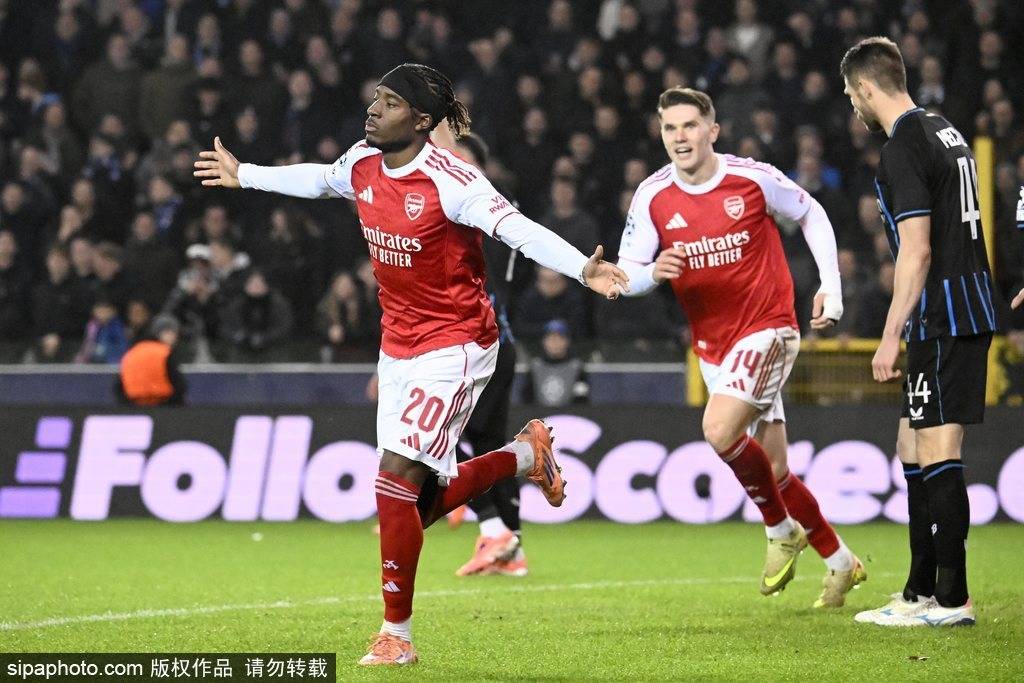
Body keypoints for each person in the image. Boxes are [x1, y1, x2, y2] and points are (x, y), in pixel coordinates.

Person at [194, 63, 627, 666]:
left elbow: (519, 231)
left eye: (390, 102)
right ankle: (524, 456)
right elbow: (319, 179)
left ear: (422, 121)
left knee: (394, 480)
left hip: (457, 344)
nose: (374, 109)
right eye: (376, 97)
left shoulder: (455, 181)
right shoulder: (362, 164)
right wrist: (246, 175)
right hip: (397, 345)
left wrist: (582, 267)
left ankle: (396, 636)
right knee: (411, 506)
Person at [615, 86, 864, 608]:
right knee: (776, 471)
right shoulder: (652, 196)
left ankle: (780, 529)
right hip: (712, 347)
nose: (680, 137)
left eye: (689, 125)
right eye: (669, 128)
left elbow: (812, 213)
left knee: (718, 429)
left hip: (769, 327)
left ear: (712, 130)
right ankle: (841, 562)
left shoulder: (752, 178)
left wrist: (831, 286)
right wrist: (652, 273)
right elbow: (626, 275)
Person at [841, 37, 1000, 627]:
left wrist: (890, 334)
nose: (852, 105)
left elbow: (917, 250)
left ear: (866, 88)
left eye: (851, 95)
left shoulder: (903, 146)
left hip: (942, 314)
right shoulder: (944, 129)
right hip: (964, 305)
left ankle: (951, 599)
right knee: (911, 442)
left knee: (937, 447)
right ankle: (919, 591)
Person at [430, 128, 530, 579]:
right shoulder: (485, 208)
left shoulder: (487, 207)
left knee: (441, 435)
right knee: (489, 446)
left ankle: (492, 528)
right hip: (492, 342)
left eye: (461, 159)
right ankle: (511, 546)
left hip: (480, 343)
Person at [116, 314, 187, 406]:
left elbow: (119, 385)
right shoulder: (164, 353)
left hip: (133, 406)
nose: (173, 337)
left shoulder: (132, 352)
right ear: (158, 333)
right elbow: (178, 384)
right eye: (168, 333)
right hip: (164, 405)